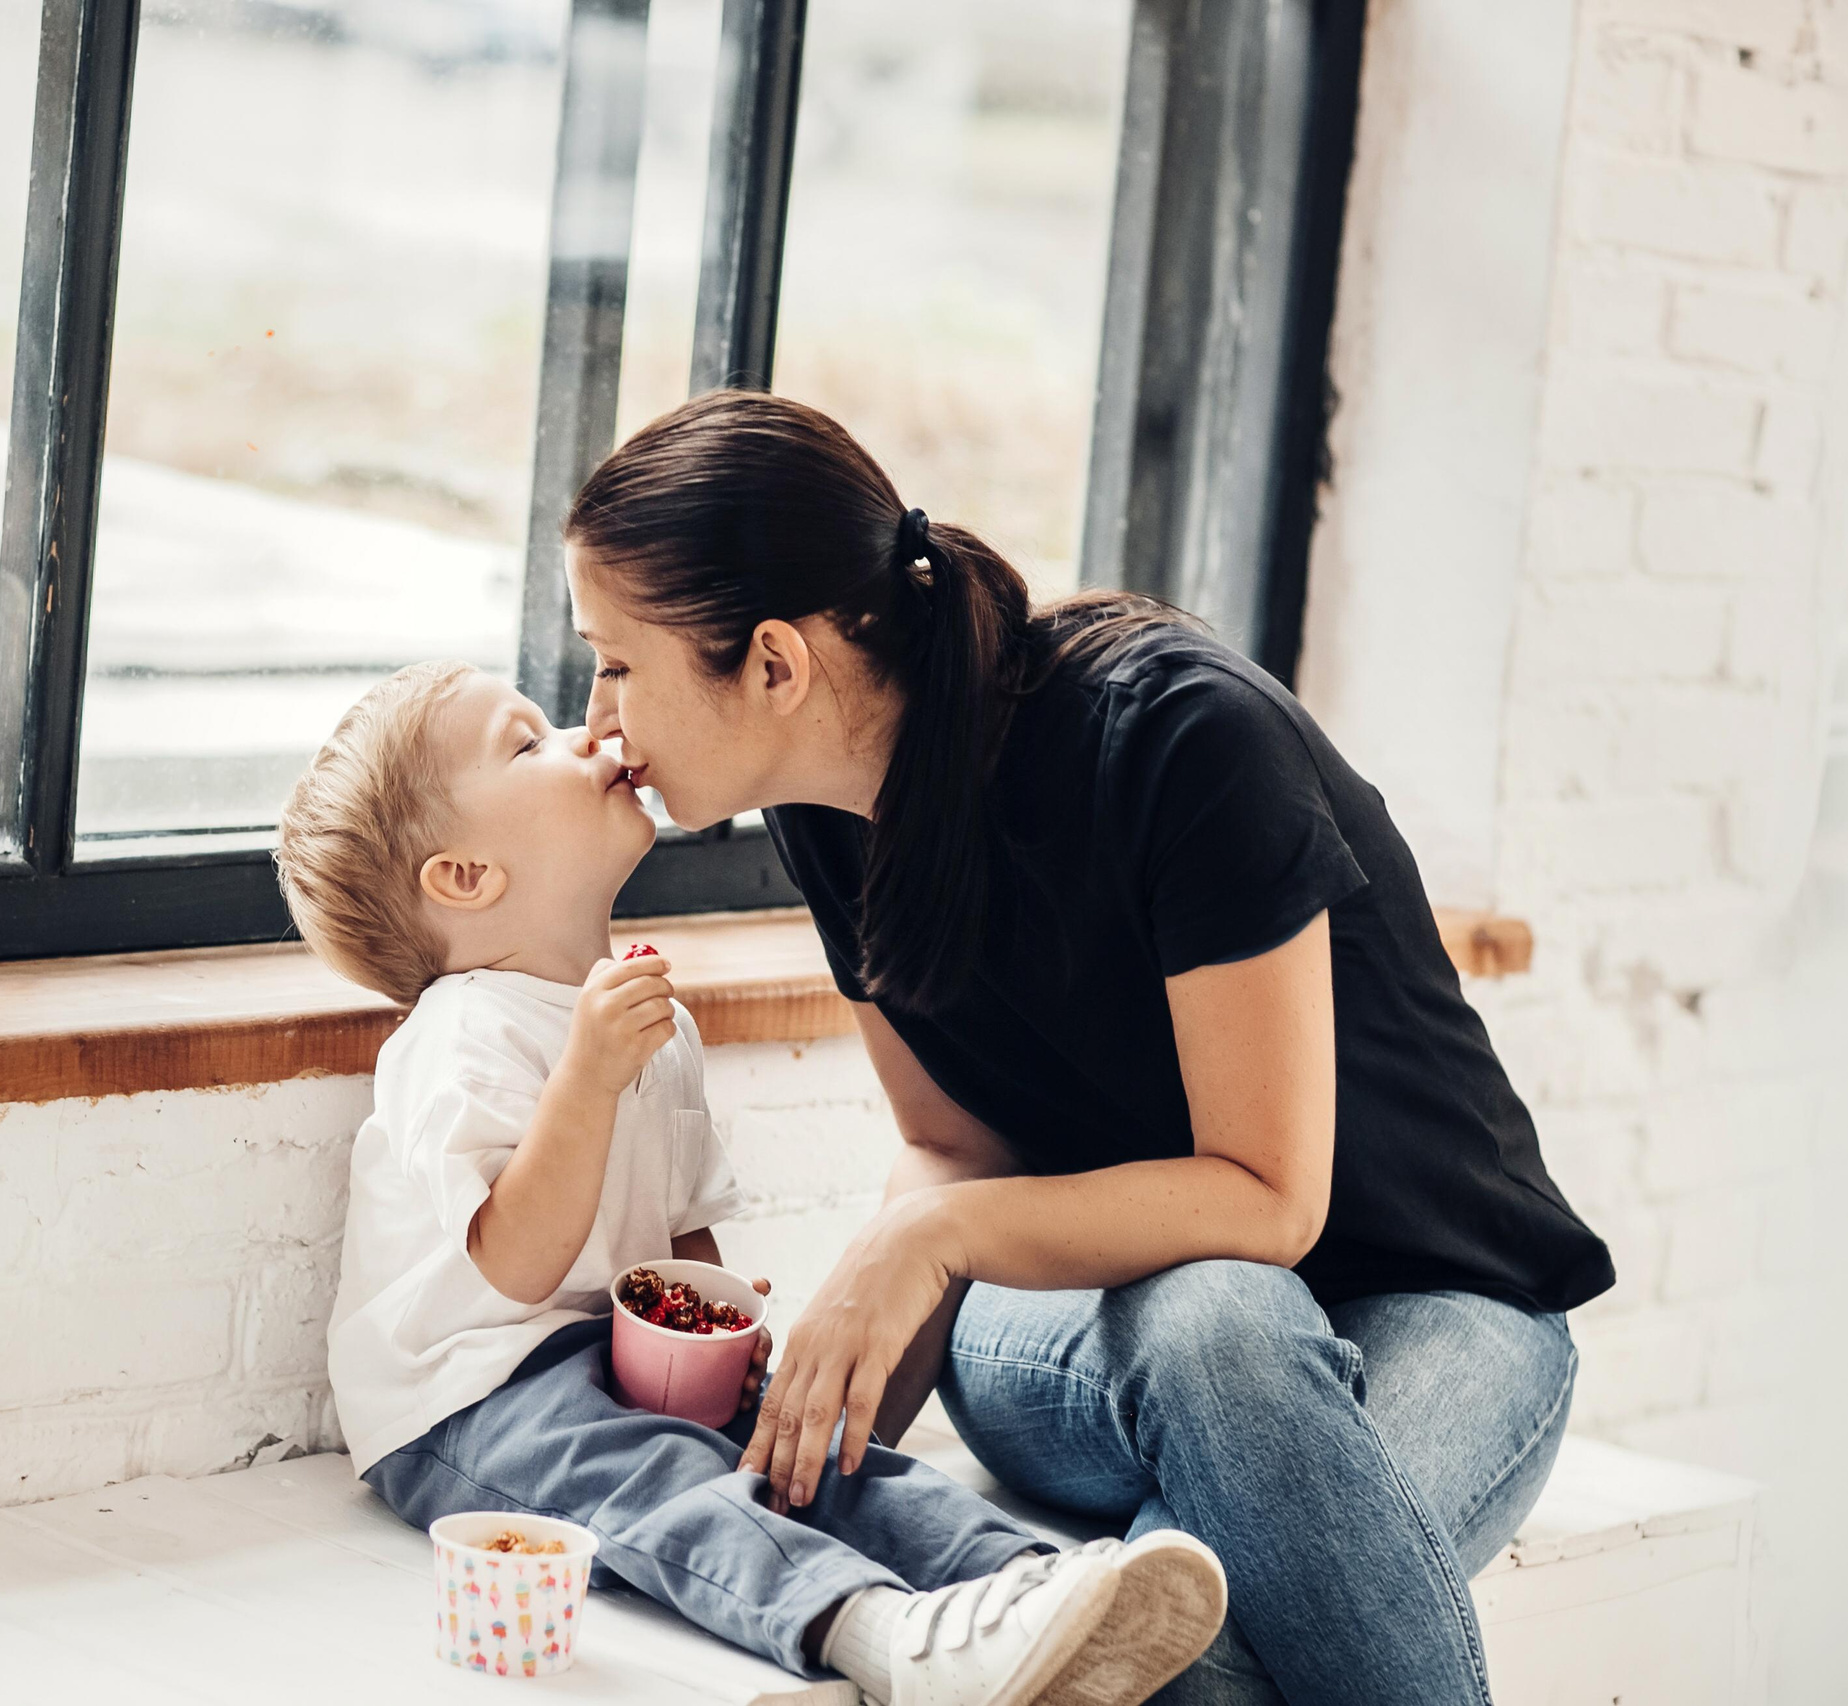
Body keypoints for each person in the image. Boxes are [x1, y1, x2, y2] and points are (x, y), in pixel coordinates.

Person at [562, 391, 1616, 1706]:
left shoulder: (1181, 738)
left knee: (1185, 1623)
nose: (597, 719)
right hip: (1090, 1331)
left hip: (1440, 1297)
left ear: (775, 664)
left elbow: (1265, 1202)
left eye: (615, 662)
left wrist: (924, 1238)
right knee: (1205, 1317)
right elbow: (952, 1146)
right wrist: (819, 1442)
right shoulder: (820, 816)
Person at [276, 659, 1229, 1706]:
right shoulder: (461, 1033)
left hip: (613, 1358)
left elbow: (678, 1228)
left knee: (814, 1452)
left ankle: (1030, 1585)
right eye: (527, 742)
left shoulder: (654, 1020)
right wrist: (589, 1075)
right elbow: (515, 1262)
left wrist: (720, 1330)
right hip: (470, 1396)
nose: (585, 734)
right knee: (667, 1486)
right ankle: (882, 1634)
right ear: (466, 876)